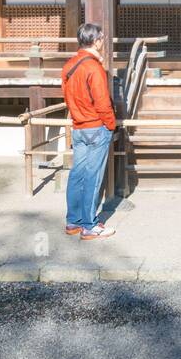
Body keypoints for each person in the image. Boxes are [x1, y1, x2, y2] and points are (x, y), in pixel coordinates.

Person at [60, 22, 117, 240]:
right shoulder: (93, 68)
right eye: (101, 38)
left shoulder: (69, 66)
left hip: (78, 126)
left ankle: (73, 221)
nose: (102, 41)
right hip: (96, 126)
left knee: (77, 174)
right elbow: (102, 102)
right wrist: (110, 124)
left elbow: (66, 96)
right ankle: (90, 225)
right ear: (97, 41)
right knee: (93, 177)